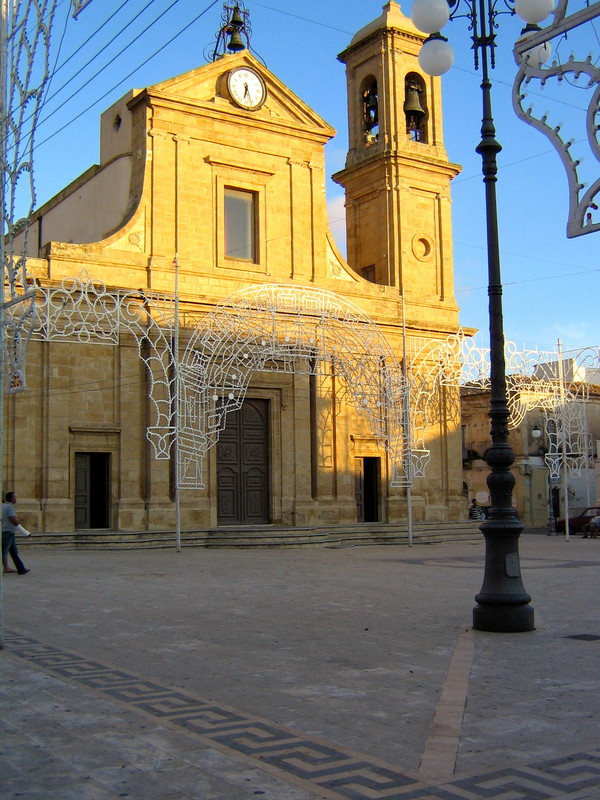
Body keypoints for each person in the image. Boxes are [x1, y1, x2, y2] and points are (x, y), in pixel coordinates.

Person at [2, 491, 30, 575]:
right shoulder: (10, 507)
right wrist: (24, 531)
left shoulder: (4, 506)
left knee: (13, 551)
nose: (16, 498)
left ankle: (21, 568)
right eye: (15, 497)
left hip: (8, 531)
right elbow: (13, 519)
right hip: (8, 532)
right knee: (4, 551)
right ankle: (7, 568)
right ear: (11, 498)